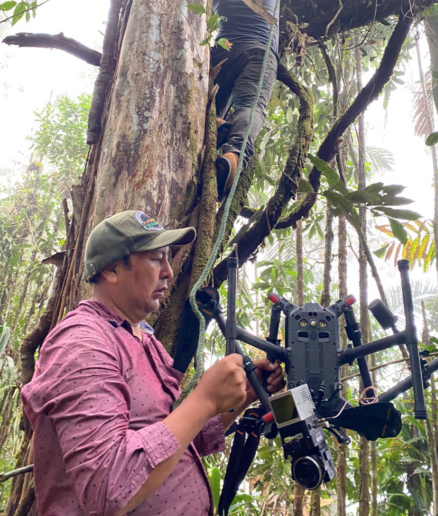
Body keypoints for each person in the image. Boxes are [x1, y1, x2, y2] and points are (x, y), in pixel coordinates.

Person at [22, 210, 284, 516]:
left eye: (168, 258)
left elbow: (182, 437)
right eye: (156, 258)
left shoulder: (145, 340)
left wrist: (240, 397)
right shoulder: (82, 342)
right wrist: (205, 398)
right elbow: (107, 489)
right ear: (112, 270)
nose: (169, 271)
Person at [212, 0, 280, 201]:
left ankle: (218, 125)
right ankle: (234, 154)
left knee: (210, 109)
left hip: (223, 50)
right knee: (251, 105)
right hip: (259, 49)